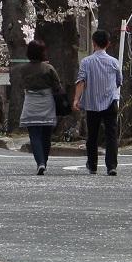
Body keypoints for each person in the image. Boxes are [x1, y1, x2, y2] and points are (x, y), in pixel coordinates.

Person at [73, 30, 122, 176]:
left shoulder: (86, 62)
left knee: (92, 135)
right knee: (111, 134)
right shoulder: (114, 62)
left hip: (92, 103)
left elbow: (81, 81)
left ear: (93, 43)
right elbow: (119, 82)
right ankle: (111, 166)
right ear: (108, 44)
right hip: (110, 102)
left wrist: (76, 99)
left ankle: (92, 165)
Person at [19, 40, 64, 175]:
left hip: (31, 102)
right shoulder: (48, 68)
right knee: (46, 136)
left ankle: (40, 162)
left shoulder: (24, 69)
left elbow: (22, 84)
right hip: (46, 102)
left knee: (34, 136)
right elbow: (57, 85)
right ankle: (44, 160)